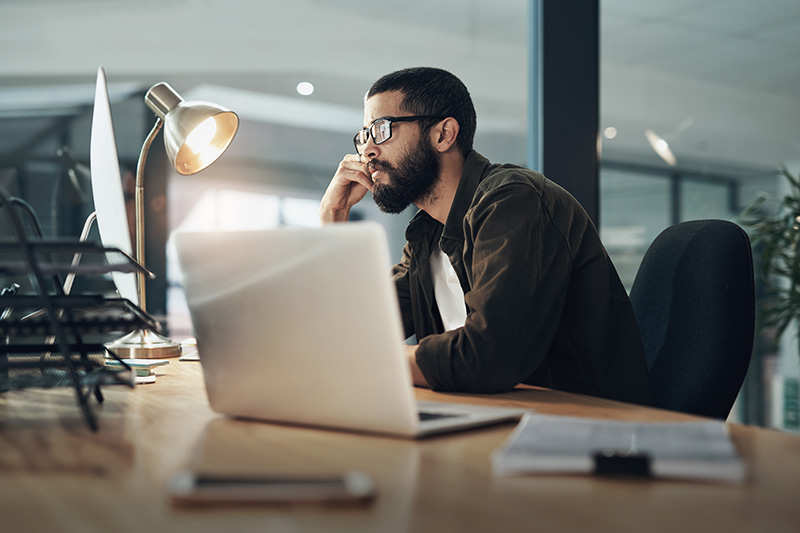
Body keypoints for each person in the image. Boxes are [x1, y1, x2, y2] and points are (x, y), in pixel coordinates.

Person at [319, 67, 653, 405]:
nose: (368, 151)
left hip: (588, 429)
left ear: (443, 134)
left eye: (381, 129)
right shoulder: (427, 233)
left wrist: (376, 360)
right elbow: (353, 326)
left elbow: (487, 355)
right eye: (364, 135)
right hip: (496, 416)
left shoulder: (513, 201)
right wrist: (333, 218)